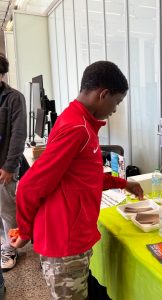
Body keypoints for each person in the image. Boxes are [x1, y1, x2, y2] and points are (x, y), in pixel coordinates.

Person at [11, 61, 144, 299]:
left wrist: (125, 183)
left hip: (71, 236)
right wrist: (24, 231)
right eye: (117, 102)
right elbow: (30, 186)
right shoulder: (77, 128)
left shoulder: (79, 122)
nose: (115, 110)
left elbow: (85, 177)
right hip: (65, 242)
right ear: (103, 94)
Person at [0, 53, 27, 273]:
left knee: (8, 211)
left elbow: (18, 135)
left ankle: (11, 248)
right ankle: (4, 243)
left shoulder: (13, 98)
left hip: (3, 166)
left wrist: (10, 166)